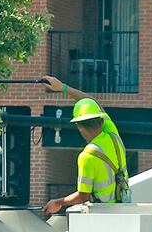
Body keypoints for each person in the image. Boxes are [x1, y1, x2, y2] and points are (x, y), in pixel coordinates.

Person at [41, 76, 130, 214]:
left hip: (103, 216)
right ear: (101, 120)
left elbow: (83, 195)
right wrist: (63, 88)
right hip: (124, 210)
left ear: (79, 126)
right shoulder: (113, 136)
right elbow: (94, 103)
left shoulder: (87, 156)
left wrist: (59, 202)